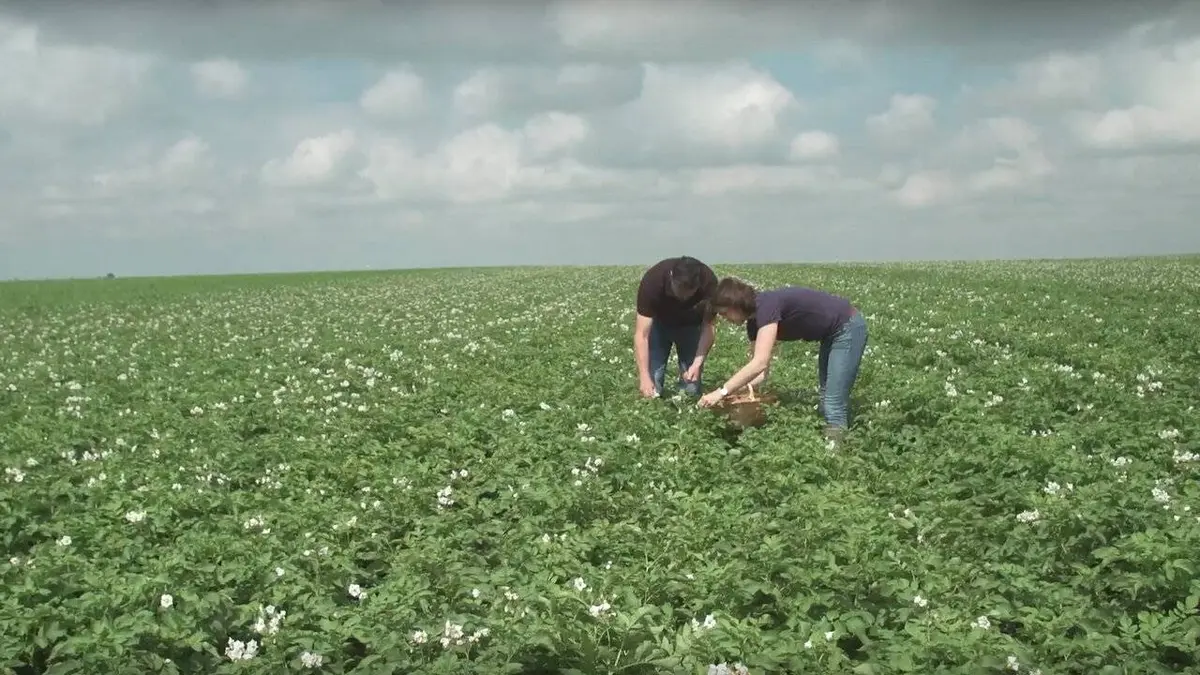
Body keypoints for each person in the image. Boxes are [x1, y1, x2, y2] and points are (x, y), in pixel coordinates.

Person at [697, 277, 868, 441]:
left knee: (833, 401)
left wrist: (721, 392)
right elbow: (761, 372)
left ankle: (835, 457)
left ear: (736, 304)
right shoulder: (753, 324)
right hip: (830, 334)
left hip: (847, 327)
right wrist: (739, 391)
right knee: (826, 396)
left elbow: (760, 362)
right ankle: (832, 439)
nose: (726, 319)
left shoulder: (766, 306)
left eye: (725, 313)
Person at [633, 256, 719, 398]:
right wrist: (643, 376)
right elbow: (641, 335)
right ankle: (654, 407)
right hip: (659, 326)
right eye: (680, 289)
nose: (684, 296)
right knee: (651, 387)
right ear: (672, 276)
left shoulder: (709, 283)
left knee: (691, 388)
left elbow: (708, 327)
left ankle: (688, 413)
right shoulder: (653, 281)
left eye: (689, 291)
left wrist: (697, 363)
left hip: (692, 327)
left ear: (698, 284)